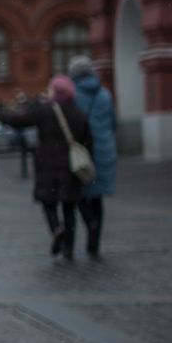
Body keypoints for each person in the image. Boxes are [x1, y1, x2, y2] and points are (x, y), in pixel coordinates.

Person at [5, 76, 92, 258]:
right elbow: (88, 141)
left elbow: (19, 121)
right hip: (70, 168)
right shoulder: (78, 114)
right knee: (69, 208)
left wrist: (2, 114)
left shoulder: (45, 112)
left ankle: (56, 229)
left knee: (48, 203)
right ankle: (69, 247)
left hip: (48, 166)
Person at [67, 56, 118, 256]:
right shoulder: (105, 94)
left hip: (83, 151)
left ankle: (90, 224)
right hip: (106, 149)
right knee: (97, 198)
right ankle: (94, 244)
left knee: (80, 194)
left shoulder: (73, 96)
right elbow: (114, 123)